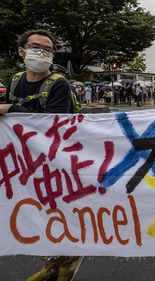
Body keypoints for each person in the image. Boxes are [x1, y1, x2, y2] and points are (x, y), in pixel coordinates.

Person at [0, 29, 83, 281]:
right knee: (36, 216)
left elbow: (49, 124)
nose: (42, 52)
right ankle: (51, 266)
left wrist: (12, 108)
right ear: (21, 51)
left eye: (48, 49)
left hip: (59, 163)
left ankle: (66, 268)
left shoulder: (59, 85)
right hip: (26, 164)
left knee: (60, 214)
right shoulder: (15, 81)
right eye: (36, 46)